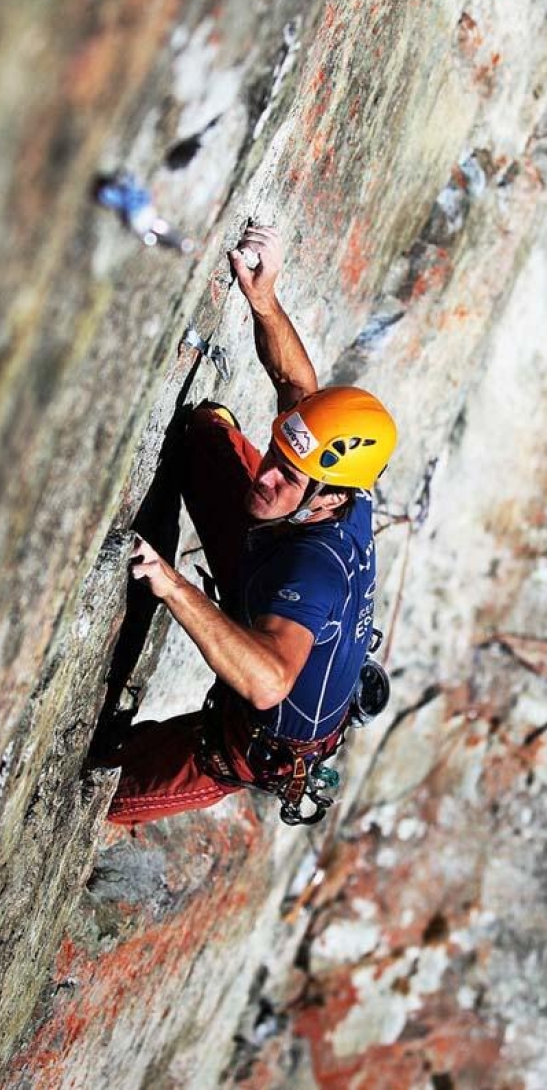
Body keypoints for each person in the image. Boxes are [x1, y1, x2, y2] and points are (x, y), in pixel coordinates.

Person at [101, 223, 397, 826]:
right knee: (204, 433)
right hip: (267, 562)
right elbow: (295, 385)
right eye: (275, 454)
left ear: (325, 501)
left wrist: (172, 586)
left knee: (96, 791)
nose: (265, 475)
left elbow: (267, 683)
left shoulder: (314, 572)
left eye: (288, 475)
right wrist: (264, 298)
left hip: (254, 735)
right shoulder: (334, 476)